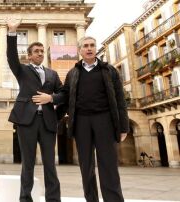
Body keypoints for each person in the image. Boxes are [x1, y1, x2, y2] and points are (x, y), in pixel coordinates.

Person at [59, 36, 129, 202]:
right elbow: (65, 96)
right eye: (85, 46)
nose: (89, 48)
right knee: (86, 166)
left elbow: (120, 99)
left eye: (92, 45)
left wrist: (123, 127)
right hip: (81, 121)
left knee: (108, 165)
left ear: (95, 48)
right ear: (80, 50)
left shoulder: (110, 70)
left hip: (104, 120)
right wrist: (52, 111)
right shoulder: (73, 73)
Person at [6, 18, 64, 202]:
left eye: (41, 51)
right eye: (36, 51)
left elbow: (64, 94)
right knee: (28, 163)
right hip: (26, 121)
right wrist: (12, 32)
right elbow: (11, 56)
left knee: (50, 164)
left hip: (48, 122)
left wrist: (51, 98)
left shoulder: (52, 74)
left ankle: (53, 199)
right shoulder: (21, 70)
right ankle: (25, 198)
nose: (40, 53)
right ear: (29, 55)